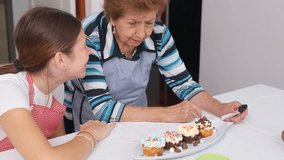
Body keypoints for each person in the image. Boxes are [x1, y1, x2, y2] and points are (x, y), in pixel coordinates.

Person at [64, 0, 248, 132]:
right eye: (132, 23)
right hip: (92, 123)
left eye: (149, 22)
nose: (142, 33)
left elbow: (183, 83)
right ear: (112, 17)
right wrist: (167, 114)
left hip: (141, 118)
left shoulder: (159, 34)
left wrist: (220, 108)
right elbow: (102, 108)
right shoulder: (90, 37)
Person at [0, 7, 115, 159]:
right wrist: (91, 134)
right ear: (61, 60)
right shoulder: (8, 88)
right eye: (84, 46)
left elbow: (59, 145)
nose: (90, 52)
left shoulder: (56, 88)